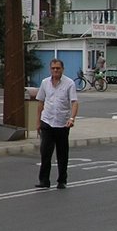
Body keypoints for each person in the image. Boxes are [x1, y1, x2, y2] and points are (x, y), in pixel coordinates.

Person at [35, 58, 79, 189]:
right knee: (45, 153)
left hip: (62, 123)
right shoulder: (45, 83)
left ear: (62, 69)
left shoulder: (69, 83)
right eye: (53, 68)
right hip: (47, 121)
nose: (55, 70)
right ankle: (44, 180)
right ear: (50, 69)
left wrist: (72, 119)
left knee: (62, 154)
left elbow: (74, 102)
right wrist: (38, 122)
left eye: (58, 68)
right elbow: (40, 102)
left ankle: (62, 180)